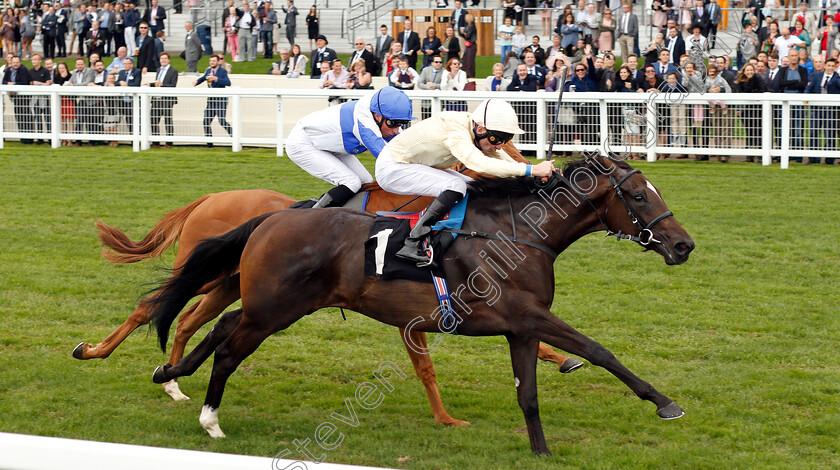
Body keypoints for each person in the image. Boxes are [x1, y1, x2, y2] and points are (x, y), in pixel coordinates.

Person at [375, 99, 555, 266]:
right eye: (497, 139)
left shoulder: (474, 127)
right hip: (393, 167)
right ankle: (412, 243)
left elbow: (497, 154)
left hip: (414, 164)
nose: (500, 145)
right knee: (457, 186)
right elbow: (480, 163)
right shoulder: (456, 132)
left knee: (473, 187)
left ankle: (456, 236)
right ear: (481, 129)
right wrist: (531, 170)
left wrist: (530, 173)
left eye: (506, 140)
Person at [286, 87, 415, 208]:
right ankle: (312, 218)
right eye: (392, 123)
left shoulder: (380, 114)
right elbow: (386, 156)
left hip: (332, 146)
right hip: (304, 143)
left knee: (366, 183)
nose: (396, 130)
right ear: (377, 116)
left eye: (401, 123)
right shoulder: (364, 122)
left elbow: (407, 146)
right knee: (351, 182)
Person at [805, 57, 840, 163]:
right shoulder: (817, 76)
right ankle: (813, 158)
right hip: (817, 109)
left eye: (832, 66)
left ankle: (829, 159)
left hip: (831, 110)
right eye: (828, 65)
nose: (830, 68)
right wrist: (805, 98)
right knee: (813, 132)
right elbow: (809, 89)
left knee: (829, 134)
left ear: (835, 68)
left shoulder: (837, 78)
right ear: (825, 66)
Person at [194, 55, 233, 147]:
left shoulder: (222, 71)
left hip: (220, 100)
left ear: (218, 62)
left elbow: (228, 83)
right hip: (211, 100)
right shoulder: (208, 70)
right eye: (210, 61)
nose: (211, 62)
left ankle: (234, 138)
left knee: (222, 121)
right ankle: (209, 143)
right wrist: (197, 81)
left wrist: (216, 79)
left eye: (213, 61)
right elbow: (204, 77)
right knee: (206, 121)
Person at [733, 63, 768, 159]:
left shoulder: (758, 78)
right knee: (749, 131)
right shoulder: (740, 81)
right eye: (747, 70)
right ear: (744, 71)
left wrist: (753, 92)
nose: (749, 72)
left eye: (751, 70)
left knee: (759, 131)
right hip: (746, 110)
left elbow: (763, 89)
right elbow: (741, 93)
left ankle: (761, 154)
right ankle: (750, 155)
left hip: (758, 109)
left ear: (754, 70)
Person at [147, 52, 178, 148]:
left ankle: (169, 143)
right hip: (156, 99)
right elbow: (158, 84)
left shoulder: (173, 71)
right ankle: (155, 142)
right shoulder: (158, 70)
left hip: (166, 100)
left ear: (169, 60)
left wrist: (162, 84)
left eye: (165, 58)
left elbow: (172, 85)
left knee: (168, 121)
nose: (163, 60)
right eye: (161, 58)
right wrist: (150, 84)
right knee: (153, 121)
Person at [3, 55, 32, 144]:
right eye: (13, 62)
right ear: (11, 63)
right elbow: (4, 81)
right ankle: (22, 137)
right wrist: (10, 83)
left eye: (17, 62)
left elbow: (24, 82)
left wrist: (12, 84)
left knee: (26, 117)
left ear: (20, 62)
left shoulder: (23, 69)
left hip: (24, 97)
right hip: (15, 97)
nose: (15, 64)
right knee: (18, 116)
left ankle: (28, 138)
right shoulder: (8, 70)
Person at [460, 14, 477, 78]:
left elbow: (468, 36)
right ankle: (466, 73)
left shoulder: (471, 26)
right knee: (465, 60)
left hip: (471, 45)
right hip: (468, 44)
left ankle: (470, 74)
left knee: (470, 61)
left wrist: (464, 33)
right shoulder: (468, 26)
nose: (465, 19)